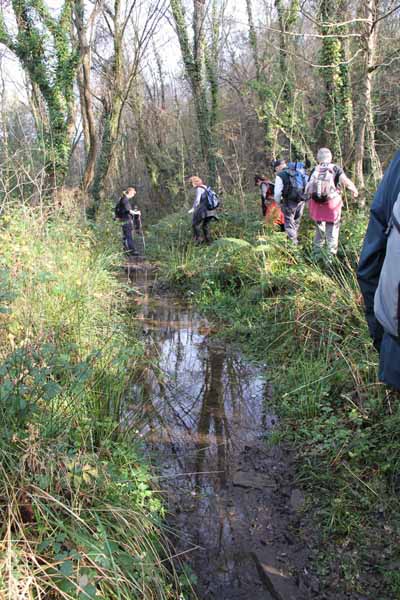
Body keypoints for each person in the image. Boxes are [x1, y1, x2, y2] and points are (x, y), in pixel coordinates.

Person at [357, 150, 400, 390]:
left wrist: (383, 341)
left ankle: (292, 240)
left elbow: (369, 266)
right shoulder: (335, 171)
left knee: (289, 224)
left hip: (397, 347)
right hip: (331, 211)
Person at [306, 148, 358, 257]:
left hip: (316, 206)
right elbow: (345, 181)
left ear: (318, 158)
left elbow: (307, 188)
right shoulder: (335, 168)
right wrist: (353, 189)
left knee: (319, 233)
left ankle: (316, 257)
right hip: (332, 205)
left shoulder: (315, 169)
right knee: (332, 233)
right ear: (330, 158)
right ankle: (330, 261)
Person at [273, 159, 306, 244]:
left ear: (278, 167)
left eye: (275, 169)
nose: (275, 171)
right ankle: (295, 242)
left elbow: (277, 193)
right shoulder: (299, 171)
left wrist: (278, 203)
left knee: (289, 225)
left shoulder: (280, 175)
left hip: (288, 203)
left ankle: (293, 248)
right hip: (301, 201)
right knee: (296, 223)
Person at [189, 176, 218, 244]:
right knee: (205, 226)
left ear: (194, 183)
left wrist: (193, 208)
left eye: (191, 183)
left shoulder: (199, 188)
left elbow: (197, 200)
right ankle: (209, 243)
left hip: (205, 211)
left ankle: (199, 240)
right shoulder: (206, 187)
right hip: (212, 211)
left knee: (195, 225)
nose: (191, 185)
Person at [115, 187, 141, 255]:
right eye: (133, 194)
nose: (133, 195)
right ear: (130, 192)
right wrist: (137, 213)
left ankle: (125, 250)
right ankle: (132, 251)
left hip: (123, 219)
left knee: (125, 235)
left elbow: (118, 209)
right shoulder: (125, 200)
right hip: (126, 220)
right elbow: (129, 211)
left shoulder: (122, 199)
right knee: (128, 235)